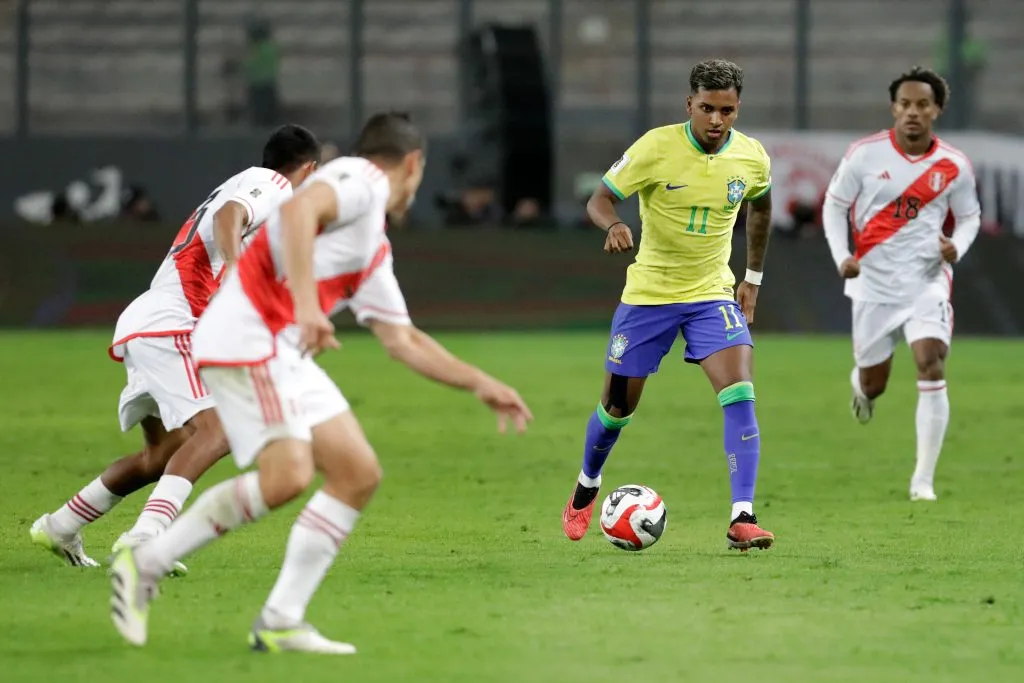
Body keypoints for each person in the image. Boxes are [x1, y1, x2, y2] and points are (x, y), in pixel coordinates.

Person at [108, 112, 533, 653]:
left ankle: (281, 618)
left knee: (357, 472)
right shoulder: (359, 178)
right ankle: (148, 559)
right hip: (248, 337)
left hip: (281, 348)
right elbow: (299, 212)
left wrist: (481, 384)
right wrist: (308, 306)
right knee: (287, 475)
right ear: (413, 163)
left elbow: (402, 340)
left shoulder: (371, 244)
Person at [31, 125, 322, 570]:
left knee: (162, 455)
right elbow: (229, 217)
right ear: (309, 170)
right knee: (220, 429)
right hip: (174, 321)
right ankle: (148, 537)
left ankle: (62, 525)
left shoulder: (247, 184)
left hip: (151, 321)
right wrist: (240, 275)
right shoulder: (274, 185)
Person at [561, 59, 775, 551]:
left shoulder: (752, 157)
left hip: (710, 294)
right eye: (707, 109)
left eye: (727, 110)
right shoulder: (656, 147)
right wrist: (613, 224)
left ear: (738, 108)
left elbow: (761, 205)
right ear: (689, 105)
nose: (717, 120)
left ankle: (743, 516)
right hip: (649, 296)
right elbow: (599, 200)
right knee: (617, 407)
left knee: (740, 390)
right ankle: (587, 484)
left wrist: (753, 279)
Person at [822, 67, 980, 501]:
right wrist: (842, 257)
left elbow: (969, 217)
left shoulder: (953, 165)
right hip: (872, 285)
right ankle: (863, 387)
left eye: (922, 105)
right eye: (905, 104)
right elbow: (833, 209)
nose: (913, 112)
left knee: (931, 361)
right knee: (875, 383)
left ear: (936, 109)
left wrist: (957, 247)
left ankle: (922, 481)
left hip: (926, 280)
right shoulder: (864, 155)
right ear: (894, 107)